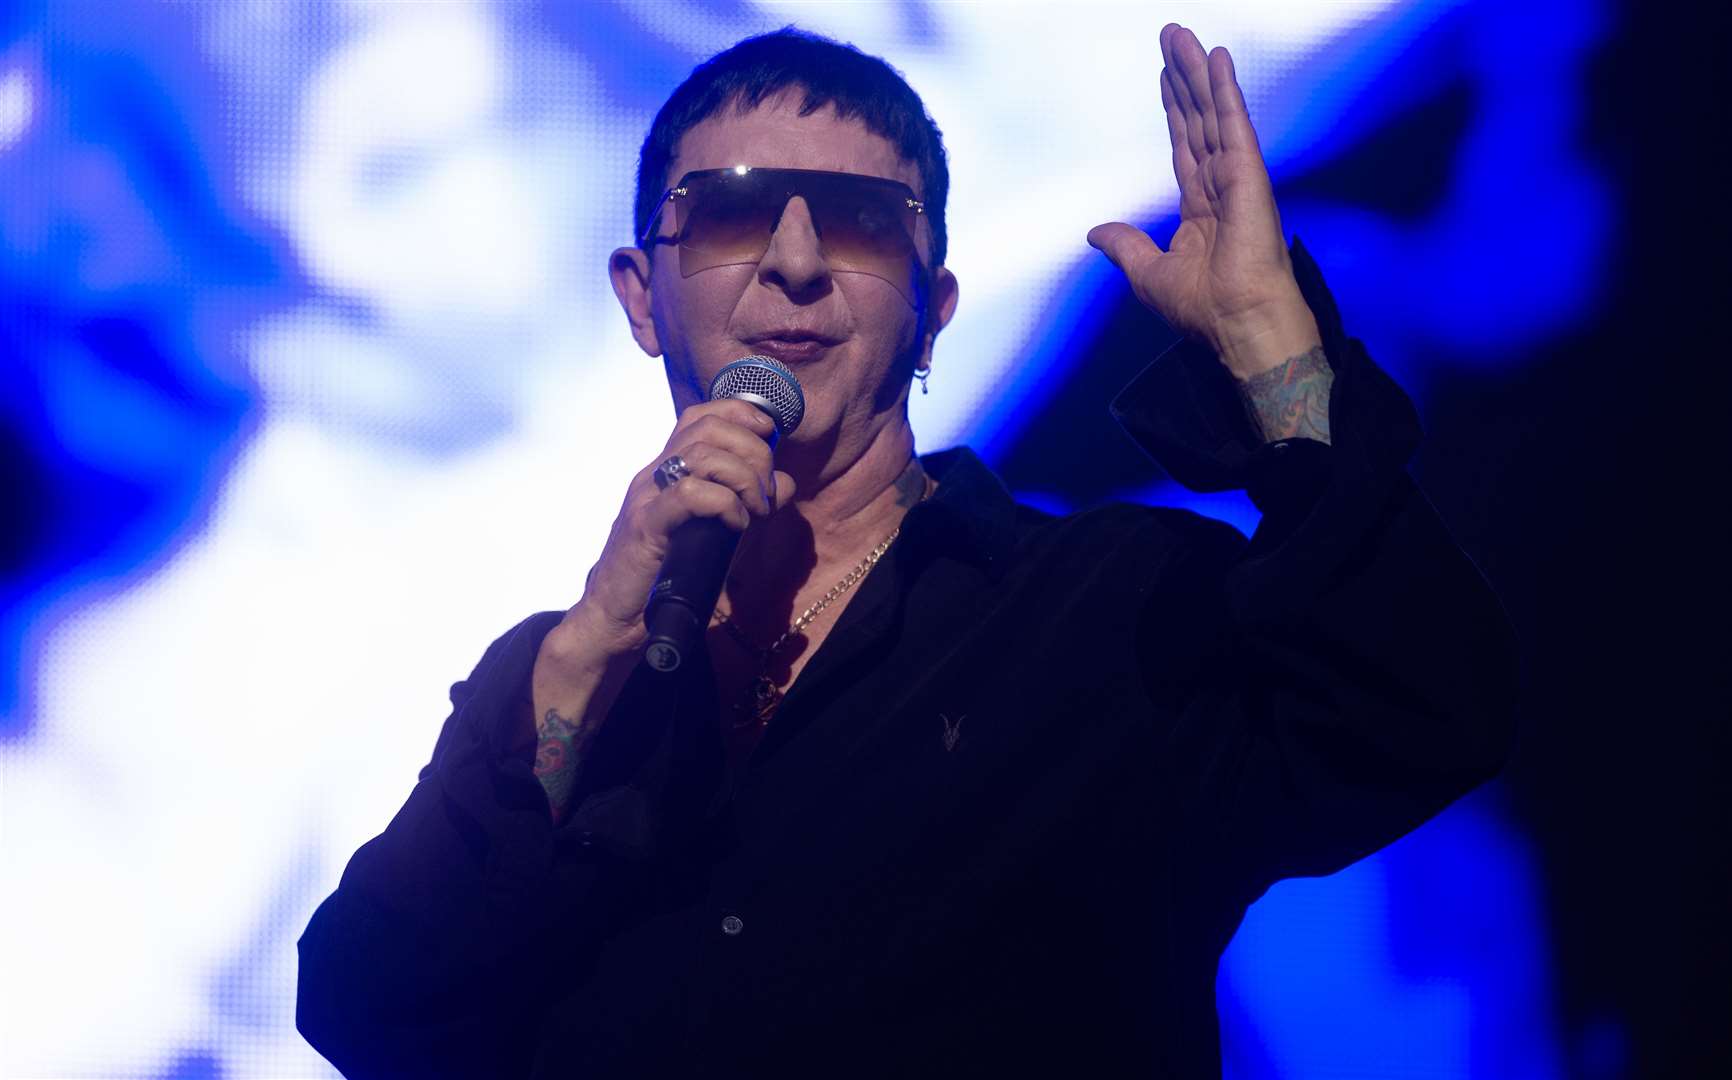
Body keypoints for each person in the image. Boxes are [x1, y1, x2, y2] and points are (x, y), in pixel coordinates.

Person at [297, 24, 1517, 1079]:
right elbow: (372, 1009)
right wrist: (583, 656)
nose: (793, 263)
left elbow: (1426, 706)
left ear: (932, 310)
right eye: (728, 210)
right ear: (639, 294)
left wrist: (1261, 334)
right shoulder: (560, 679)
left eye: (860, 225)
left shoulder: (1112, 616)